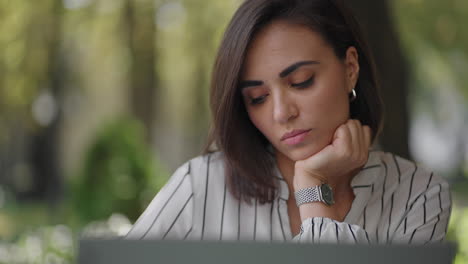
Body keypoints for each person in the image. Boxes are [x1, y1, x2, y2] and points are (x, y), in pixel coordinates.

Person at [125, 0, 451, 244]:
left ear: (350, 67)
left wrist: (312, 187)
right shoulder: (199, 187)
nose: (281, 113)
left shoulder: (417, 194)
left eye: (301, 81)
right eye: (258, 98)